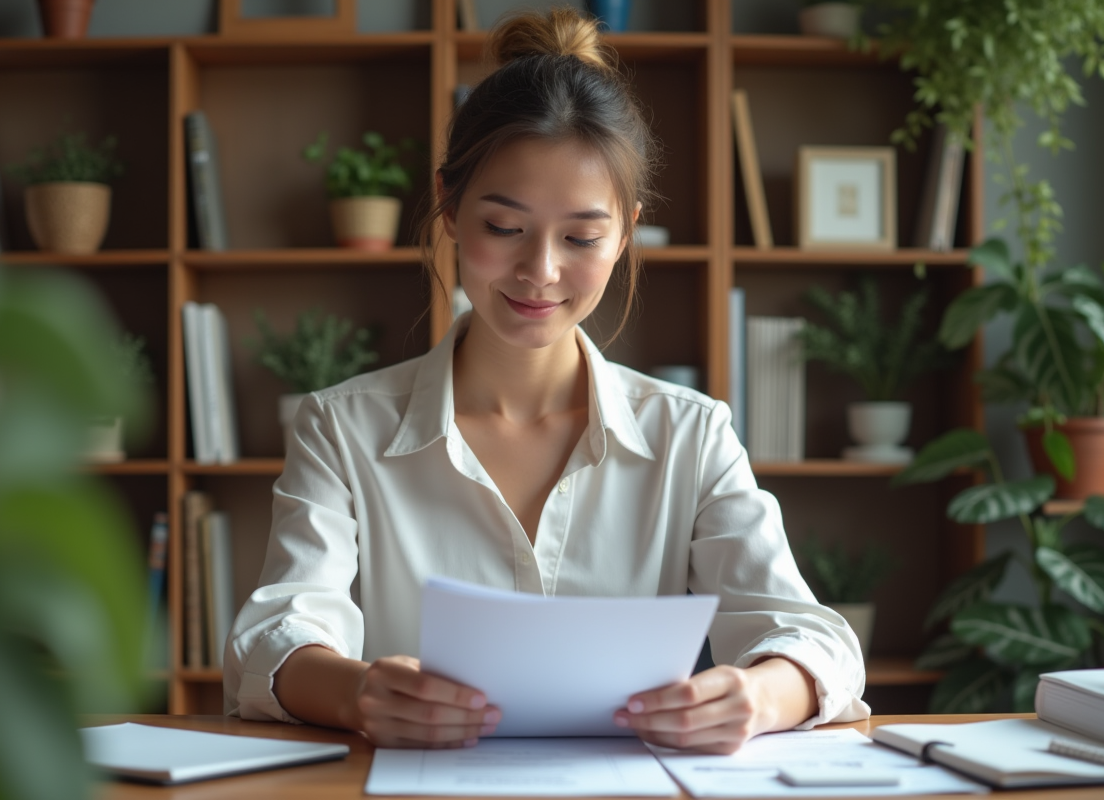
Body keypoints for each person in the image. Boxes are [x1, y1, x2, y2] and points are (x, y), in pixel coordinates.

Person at [225, 8, 869, 754]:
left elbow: (815, 639)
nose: (540, 271)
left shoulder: (690, 435)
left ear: (625, 232)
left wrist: (756, 695)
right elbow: (274, 636)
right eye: (504, 227)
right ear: (449, 206)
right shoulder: (343, 428)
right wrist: (360, 693)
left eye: (582, 237)